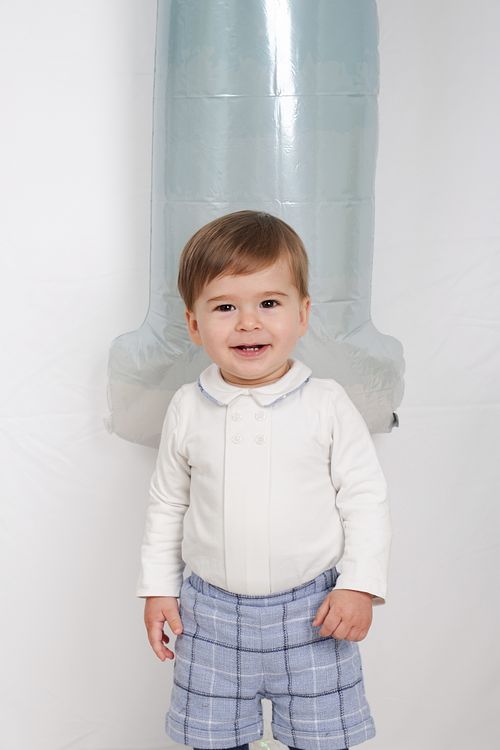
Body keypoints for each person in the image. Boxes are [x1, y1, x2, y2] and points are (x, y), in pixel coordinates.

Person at [136, 210, 392, 750]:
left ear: (303, 314)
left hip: (315, 615)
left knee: (322, 741)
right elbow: (167, 504)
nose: (248, 323)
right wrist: (158, 587)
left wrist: (359, 584)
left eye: (269, 304)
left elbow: (365, 499)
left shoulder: (326, 403)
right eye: (225, 307)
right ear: (194, 324)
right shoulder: (187, 407)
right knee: (212, 741)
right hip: (209, 618)